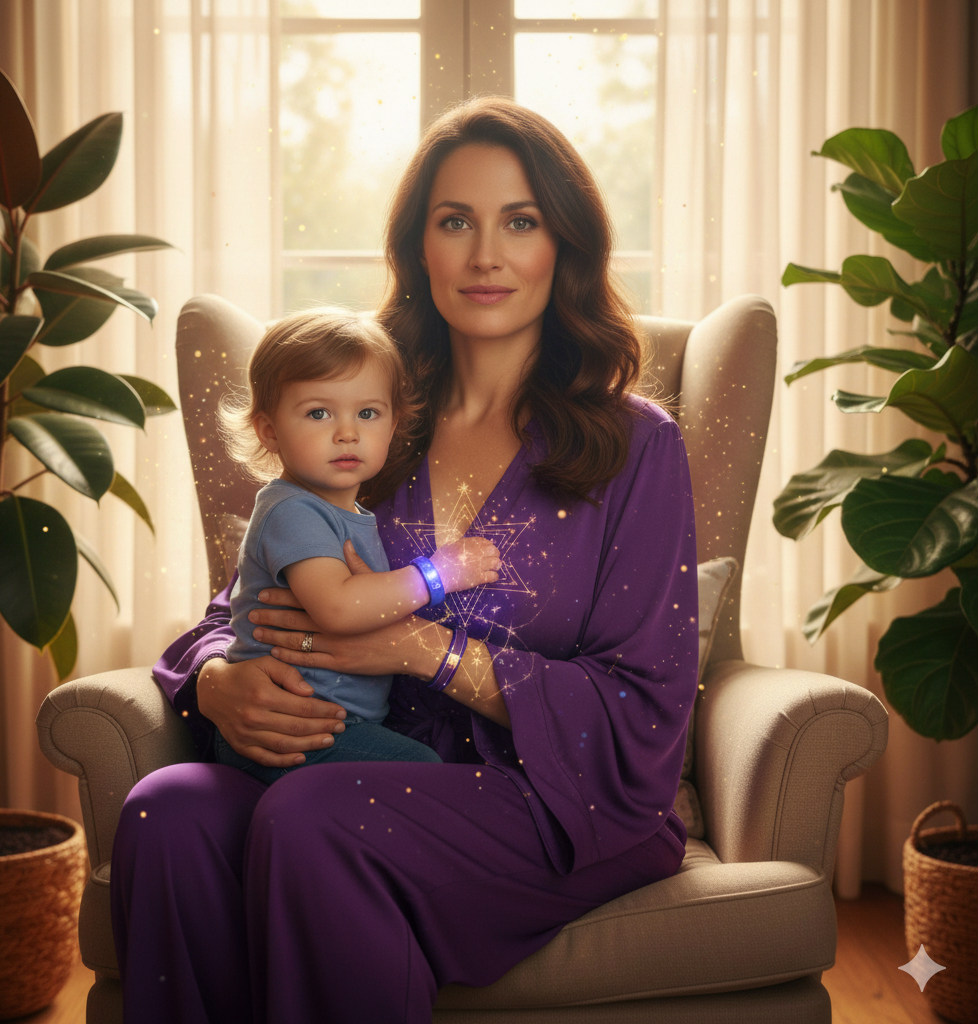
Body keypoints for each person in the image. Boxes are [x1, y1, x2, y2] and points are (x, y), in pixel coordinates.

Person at [111, 96, 699, 1024]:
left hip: (551, 802)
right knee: (167, 809)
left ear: (565, 245)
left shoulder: (637, 448)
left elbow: (646, 707)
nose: (486, 255)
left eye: (521, 221)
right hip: (351, 766)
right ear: (418, 248)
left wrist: (419, 651)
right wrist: (213, 678)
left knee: (317, 820)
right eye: (454, 221)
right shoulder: (365, 418)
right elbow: (240, 606)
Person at [216, 308, 501, 782]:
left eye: (367, 413)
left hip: (335, 726)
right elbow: (339, 610)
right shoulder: (292, 511)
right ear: (269, 431)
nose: (347, 431)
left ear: (393, 426)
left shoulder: (346, 512)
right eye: (318, 412)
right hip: (290, 727)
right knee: (422, 773)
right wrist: (438, 575)